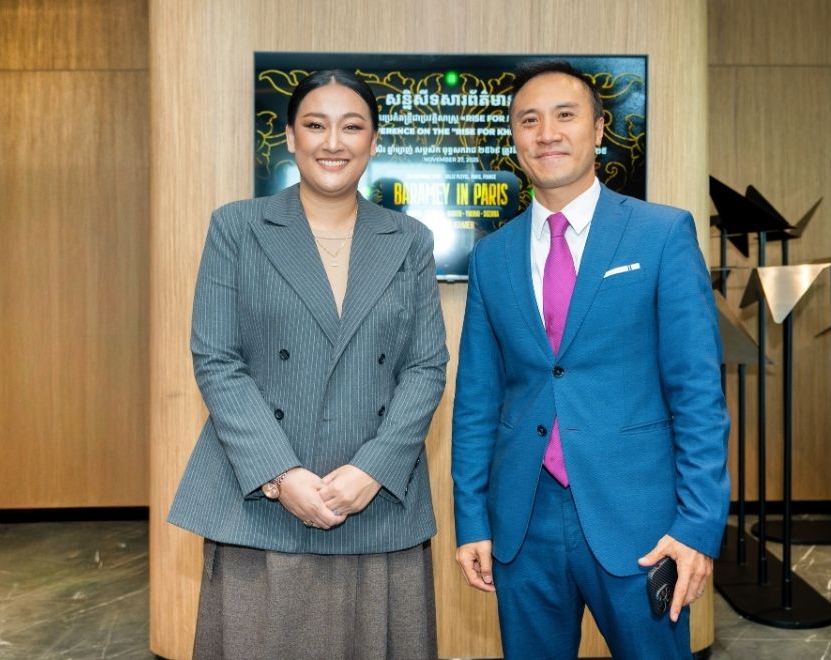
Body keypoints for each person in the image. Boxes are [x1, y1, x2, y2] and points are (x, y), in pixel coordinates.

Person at [451, 60, 730, 660]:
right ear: (514, 136)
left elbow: (698, 392)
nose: (547, 133)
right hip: (522, 522)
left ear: (600, 129)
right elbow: (477, 400)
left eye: (565, 115)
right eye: (529, 120)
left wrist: (698, 525)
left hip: (641, 521)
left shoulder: (661, 234)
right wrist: (471, 518)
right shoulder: (492, 257)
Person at [169, 69, 447, 660]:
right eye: (316, 125)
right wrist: (280, 475)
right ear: (291, 137)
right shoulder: (237, 227)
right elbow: (217, 358)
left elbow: (425, 367)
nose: (333, 142)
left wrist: (373, 469)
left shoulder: (410, 239)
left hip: (375, 504)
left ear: (374, 141)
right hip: (261, 504)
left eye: (353, 127)